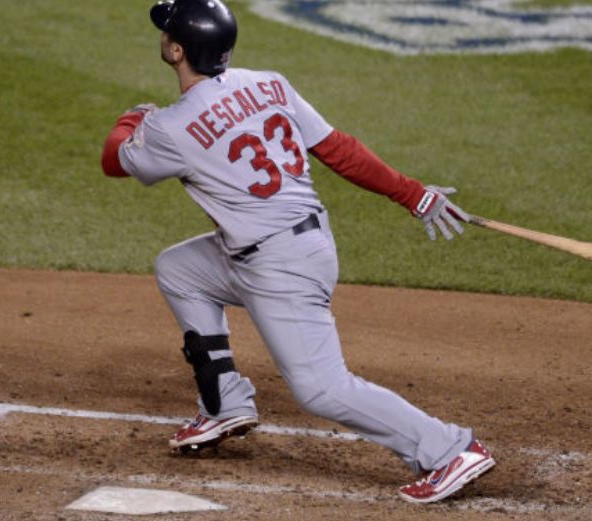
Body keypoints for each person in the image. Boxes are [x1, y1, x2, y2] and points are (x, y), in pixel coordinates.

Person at [100, 0, 494, 504]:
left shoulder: (170, 127)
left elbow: (115, 160)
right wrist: (411, 193)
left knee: (321, 389)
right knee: (179, 270)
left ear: (177, 50)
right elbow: (338, 149)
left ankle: (449, 450)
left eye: (167, 33)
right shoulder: (269, 83)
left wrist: (131, 117)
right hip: (294, 244)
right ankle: (224, 402)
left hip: (279, 266)